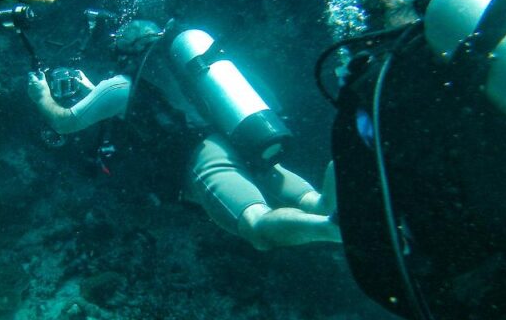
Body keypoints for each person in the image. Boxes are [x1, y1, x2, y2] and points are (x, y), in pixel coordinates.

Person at [26, 19, 341, 250]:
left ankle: (333, 230)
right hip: (238, 138)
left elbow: (65, 122)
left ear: (124, 52)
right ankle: (335, 194)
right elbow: (152, 108)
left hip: (206, 158)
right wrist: (92, 90)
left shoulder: (122, 84)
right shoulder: (188, 70)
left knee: (257, 226)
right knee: (314, 200)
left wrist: (41, 94)